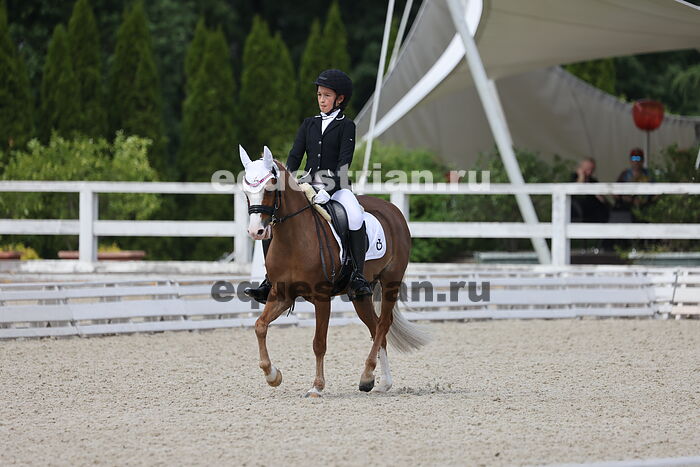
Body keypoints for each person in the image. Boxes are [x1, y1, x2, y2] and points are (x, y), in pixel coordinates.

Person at [244, 69, 373, 304]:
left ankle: (357, 276)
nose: (321, 100)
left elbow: (344, 163)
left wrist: (329, 190)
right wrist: (286, 181)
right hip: (308, 184)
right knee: (274, 218)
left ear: (339, 99)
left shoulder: (347, 125)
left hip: (337, 187)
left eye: (326, 96)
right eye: (319, 95)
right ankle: (269, 280)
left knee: (355, 216)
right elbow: (295, 157)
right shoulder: (309, 124)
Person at [614, 148, 654, 216]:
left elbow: (656, 191)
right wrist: (626, 198)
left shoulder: (648, 174)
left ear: (643, 160)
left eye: (638, 158)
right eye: (633, 158)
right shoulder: (625, 174)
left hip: (645, 207)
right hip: (627, 208)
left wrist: (647, 201)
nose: (636, 162)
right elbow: (615, 192)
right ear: (630, 160)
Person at [570, 157, 609, 223]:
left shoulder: (594, 181)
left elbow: (603, 200)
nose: (590, 172)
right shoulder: (572, 178)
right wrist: (581, 177)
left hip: (593, 213)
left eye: (592, 169)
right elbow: (576, 191)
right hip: (577, 211)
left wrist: (601, 198)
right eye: (587, 169)